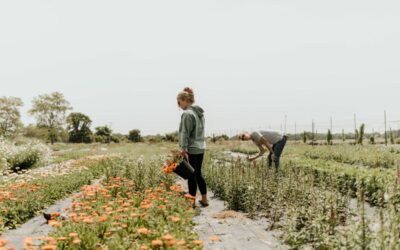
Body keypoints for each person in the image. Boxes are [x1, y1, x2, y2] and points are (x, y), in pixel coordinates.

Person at [177, 87, 209, 207]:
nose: (178, 106)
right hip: (200, 147)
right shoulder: (199, 113)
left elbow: (184, 133)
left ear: (185, 100)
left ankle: (192, 203)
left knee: (191, 176)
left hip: (191, 149)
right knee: (198, 174)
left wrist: (183, 149)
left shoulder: (187, 114)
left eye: (179, 102)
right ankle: (205, 200)